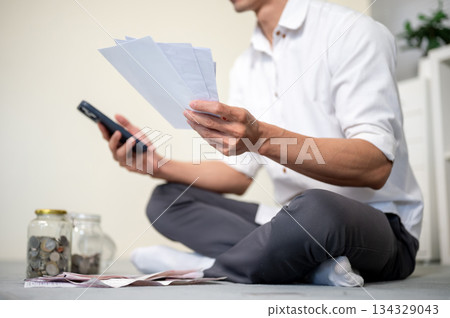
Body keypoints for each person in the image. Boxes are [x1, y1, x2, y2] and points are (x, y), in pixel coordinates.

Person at [98, 0, 423, 286]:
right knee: (167, 199)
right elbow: (237, 176)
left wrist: (262, 139)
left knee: (317, 208)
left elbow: (376, 165)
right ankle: (309, 269)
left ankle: (204, 269)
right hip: (291, 221)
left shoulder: (352, 32)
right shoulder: (247, 66)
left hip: (378, 226)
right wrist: (158, 166)